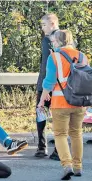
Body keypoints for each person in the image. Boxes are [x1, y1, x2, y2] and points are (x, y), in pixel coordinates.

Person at [38, 30, 89, 180]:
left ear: (59, 42)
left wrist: (42, 100)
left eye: (53, 41)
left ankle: (67, 166)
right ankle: (78, 167)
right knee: (76, 134)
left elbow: (48, 82)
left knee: (60, 135)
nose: (52, 43)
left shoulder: (54, 57)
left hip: (60, 103)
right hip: (79, 102)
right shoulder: (82, 56)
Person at [35, 13, 60, 160]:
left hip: (54, 86)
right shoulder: (47, 39)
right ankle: (44, 147)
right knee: (43, 115)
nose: (42, 28)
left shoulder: (58, 39)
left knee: (51, 116)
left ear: (52, 24)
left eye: (44, 25)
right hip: (46, 83)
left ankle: (51, 148)